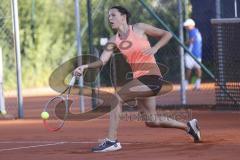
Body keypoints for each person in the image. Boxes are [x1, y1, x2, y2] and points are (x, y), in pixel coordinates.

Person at [74, 6, 201, 152]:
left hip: (152, 77)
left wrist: (156, 48)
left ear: (123, 16)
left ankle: (112, 141)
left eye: (113, 15)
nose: (110, 18)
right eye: (109, 16)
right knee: (152, 121)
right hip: (140, 79)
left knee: (116, 98)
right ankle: (188, 126)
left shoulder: (139, 28)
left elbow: (167, 34)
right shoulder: (113, 40)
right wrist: (84, 67)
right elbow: (102, 61)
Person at [183, 18, 203, 90]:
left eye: (187, 26)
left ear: (192, 25)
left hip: (191, 54)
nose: (186, 27)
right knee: (198, 69)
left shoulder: (192, 31)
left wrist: (182, 44)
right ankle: (197, 85)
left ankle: (185, 86)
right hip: (197, 54)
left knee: (189, 69)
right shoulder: (197, 31)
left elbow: (191, 40)